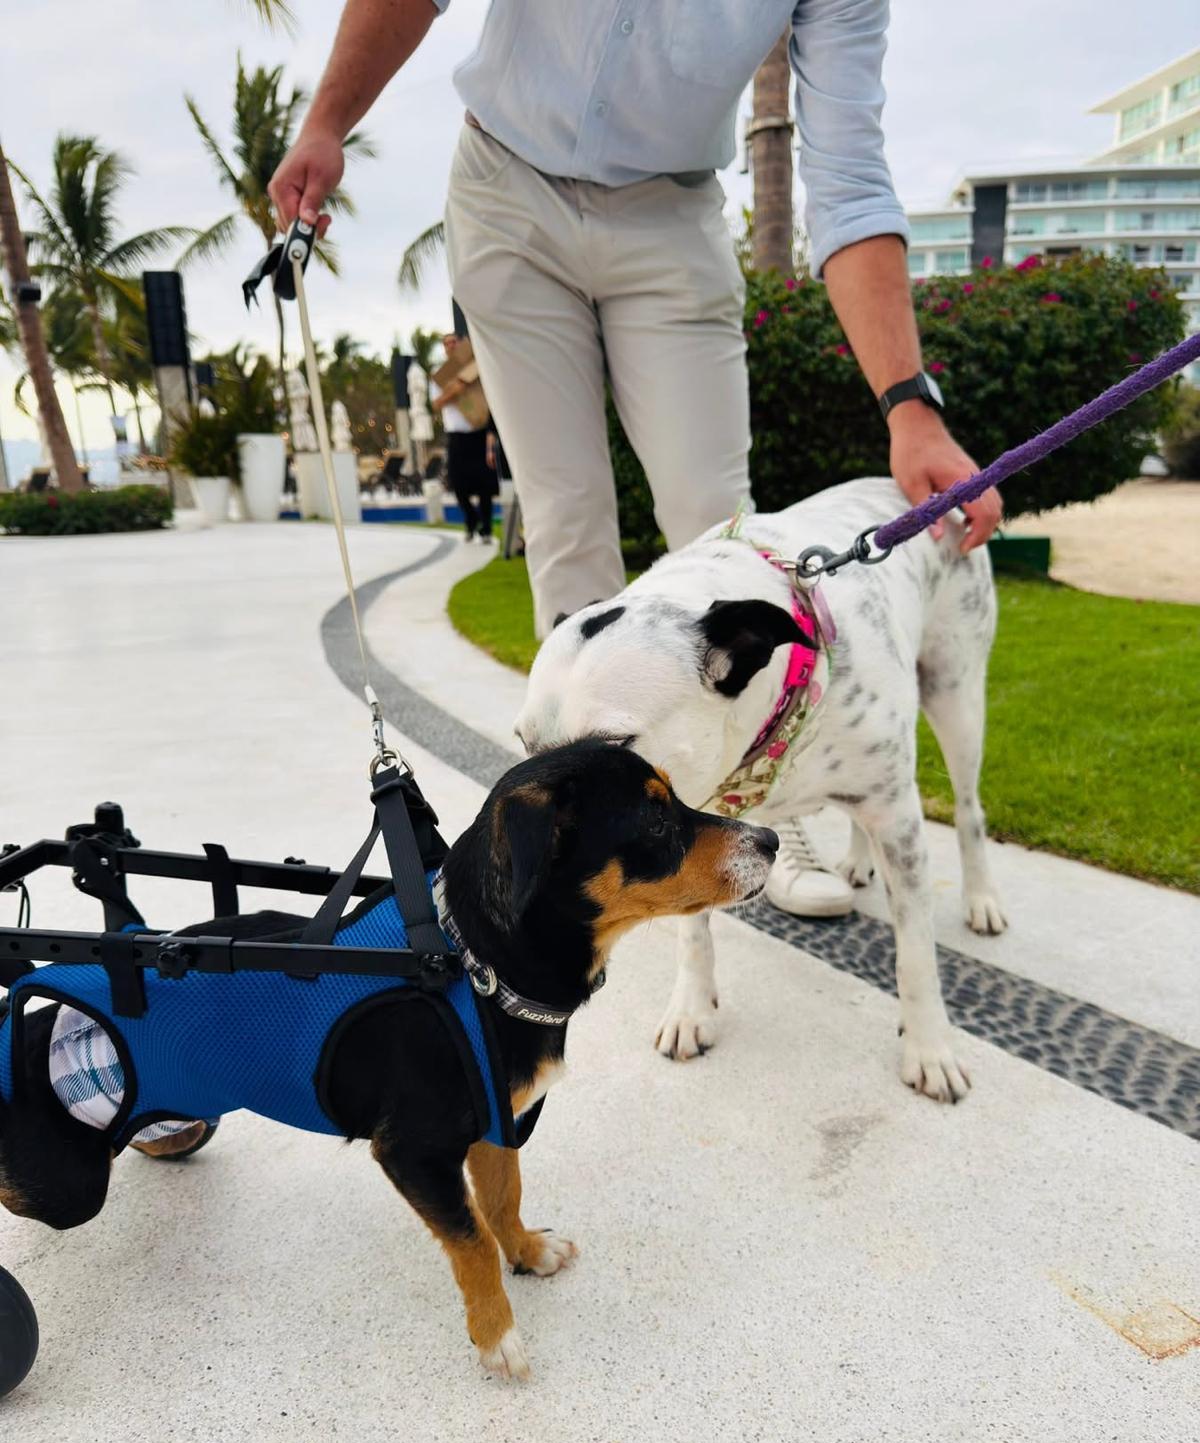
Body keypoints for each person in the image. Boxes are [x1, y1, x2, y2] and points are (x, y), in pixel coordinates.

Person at [270, 0, 1002, 919]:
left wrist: (909, 406)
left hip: (672, 210)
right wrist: (327, 122)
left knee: (718, 522)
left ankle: (769, 806)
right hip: (505, 182)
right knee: (567, 521)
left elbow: (848, 176)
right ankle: (585, 832)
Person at [429, 332, 494, 541]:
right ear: (444, 348)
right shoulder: (439, 376)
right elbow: (436, 403)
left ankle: (486, 528)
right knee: (457, 483)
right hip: (456, 436)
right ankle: (471, 519)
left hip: (479, 432)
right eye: (446, 343)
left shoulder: (476, 366)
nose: (450, 346)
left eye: (453, 342)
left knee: (485, 485)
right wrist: (455, 390)